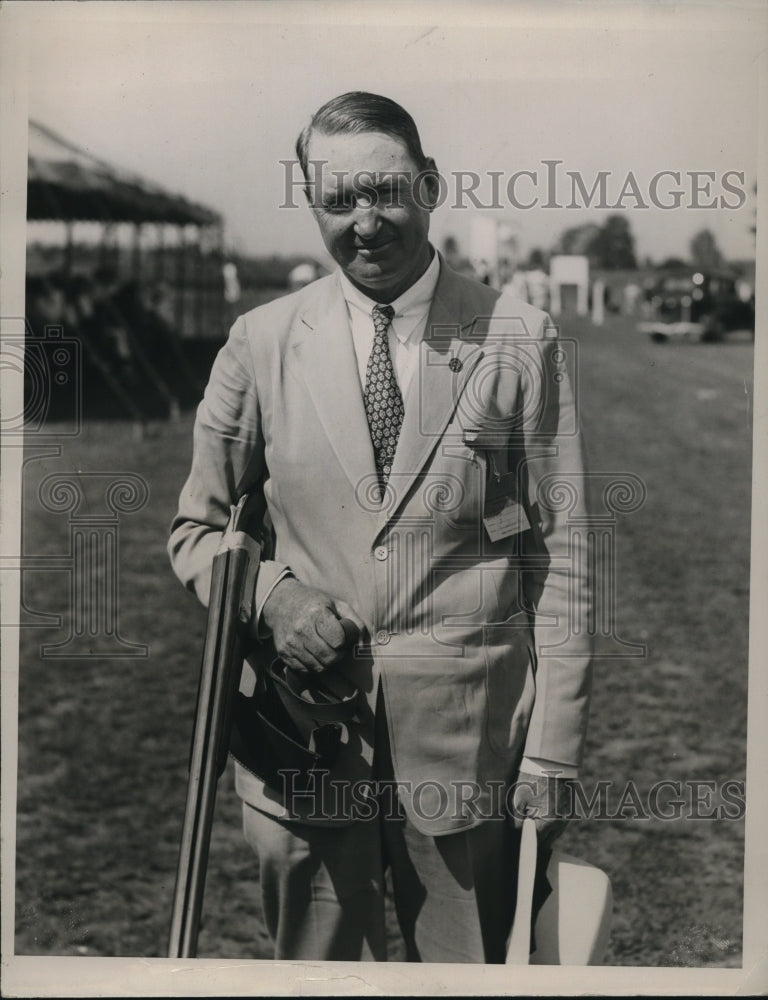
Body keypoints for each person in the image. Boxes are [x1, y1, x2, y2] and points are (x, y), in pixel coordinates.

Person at [168, 91, 592, 963]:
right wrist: (275, 599)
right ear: (314, 206)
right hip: (303, 749)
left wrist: (550, 755)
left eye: (387, 192)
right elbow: (196, 531)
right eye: (338, 201)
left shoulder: (520, 336)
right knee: (316, 982)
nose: (367, 222)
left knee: (472, 978)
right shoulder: (261, 340)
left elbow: (561, 557)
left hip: (470, 755)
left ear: (429, 185)